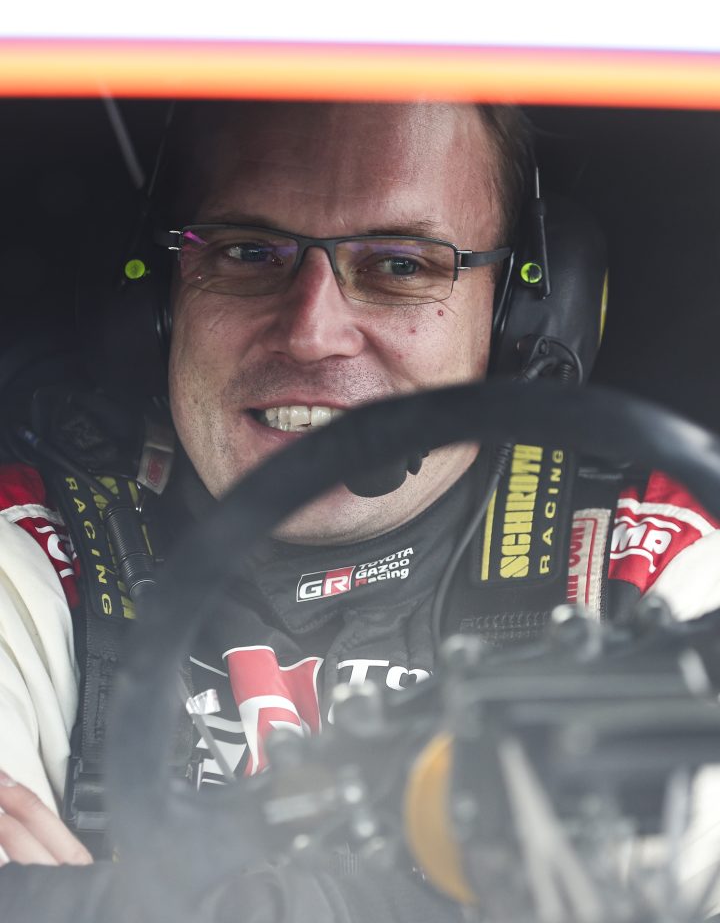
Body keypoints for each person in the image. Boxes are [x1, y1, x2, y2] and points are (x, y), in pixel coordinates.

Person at [2, 100, 720, 920]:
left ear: (521, 316)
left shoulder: (653, 567)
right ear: (157, 300)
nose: (312, 332)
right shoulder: (28, 549)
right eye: (249, 252)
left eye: (401, 264)